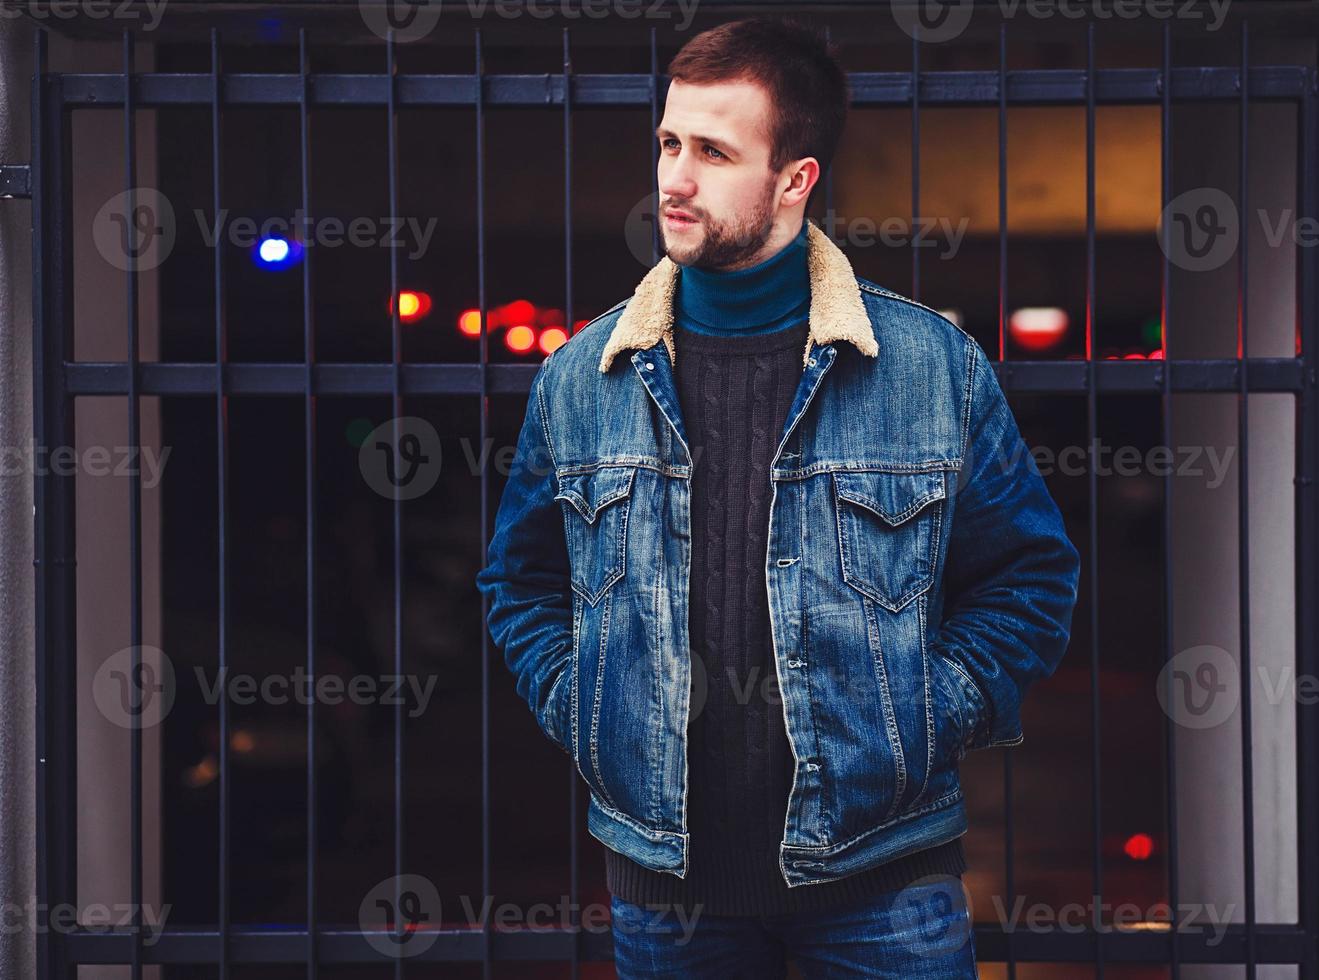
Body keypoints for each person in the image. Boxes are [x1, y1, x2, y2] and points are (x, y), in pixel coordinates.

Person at [476, 15, 1081, 978]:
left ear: (793, 178)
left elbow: (1028, 578)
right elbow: (521, 582)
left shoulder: (931, 367)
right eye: (670, 142)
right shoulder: (583, 375)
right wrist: (583, 704)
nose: (673, 177)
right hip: (664, 884)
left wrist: (925, 717)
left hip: (886, 877)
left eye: (713, 152)